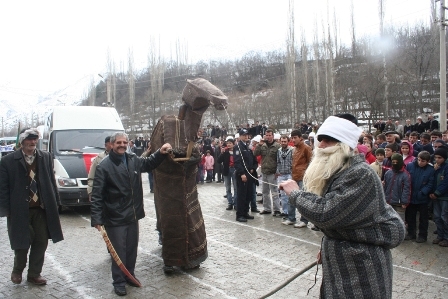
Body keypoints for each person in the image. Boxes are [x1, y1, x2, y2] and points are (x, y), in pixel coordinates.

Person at [280, 114, 405, 298]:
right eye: (320, 140)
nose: (320, 146)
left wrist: (296, 194)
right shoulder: (341, 171)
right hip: (343, 265)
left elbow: (327, 213)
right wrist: (330, 246)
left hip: (362, 268)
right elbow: (344, 223)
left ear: (344, 145)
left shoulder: (360, 174)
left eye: (328, 141)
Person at [90, 132, 171, 296]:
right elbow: (97, 195)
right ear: (112, 145)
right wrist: (97, 219)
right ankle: (119, 281)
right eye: (118, 142)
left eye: (124, 142)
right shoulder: (103, 166)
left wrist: (160, 153)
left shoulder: (133, 159)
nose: (121, 145)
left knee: (131, 250)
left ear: (128, 143)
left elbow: (148, 164)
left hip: (133, 215)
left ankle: (129, 275)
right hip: (115, 217)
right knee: (118, 251)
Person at [0, 128, 64, 285]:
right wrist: (6, 210)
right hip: (19, 210)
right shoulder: (8, 161)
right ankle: (17, 270)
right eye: (30, 139)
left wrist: (55, 203)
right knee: (22, 242)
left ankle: (34, 274)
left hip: (41, 209)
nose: (33, 142)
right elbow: (3, 188)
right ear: (22, 141)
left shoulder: (45, 157)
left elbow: (51, 182)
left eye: (35, 139)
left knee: (41, 242)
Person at [283, 130, 312, 228]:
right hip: (294, 176)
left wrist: (306, 174)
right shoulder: (294, 149)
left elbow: (311, 162)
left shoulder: (306, 148)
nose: (293, 140)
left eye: (295, 137)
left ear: (301, 138)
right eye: (292, 138)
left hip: (303, 178)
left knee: (303, 199)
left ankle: (304, 220)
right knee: (291, 198)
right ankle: (291, 218)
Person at [405, 151, 435, 242]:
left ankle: (422, 235)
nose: (420, 162)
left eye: (423, 161)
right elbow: (406, 179)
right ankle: (411, 233)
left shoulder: (431, 169)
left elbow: (430, 183)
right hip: (411, 196)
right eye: (419, 160)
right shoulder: (410, 166)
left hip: (423, 198)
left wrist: (423, 192)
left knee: (423, 218)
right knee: (410, 216)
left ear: (428, 161)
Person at [254, 129, 281, 216]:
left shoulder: (277, 146)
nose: (268, 137)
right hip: (264, 172)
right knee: (265, 192)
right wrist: (259, 144)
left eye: (270, 135)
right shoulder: (263, 145)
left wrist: (277, 171)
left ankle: (277, 210)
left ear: (273, 136)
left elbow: (280, 160)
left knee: (274, 192)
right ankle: (267, 209)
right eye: (267, 135)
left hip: (272, 172)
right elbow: (255, 153)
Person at [234, 129, 258, 222]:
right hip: (243, 175)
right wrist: (242, 173)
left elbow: (252, 159)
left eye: (247, 135)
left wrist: (253, 168)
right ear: (240, 136)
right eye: (243, 135)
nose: (246, 136)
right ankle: (239, 215)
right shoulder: (238, 147)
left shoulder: (247, 147)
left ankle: (245, 212)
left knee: (248, 195)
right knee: (241, 195)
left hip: (249, 174)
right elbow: (237, 162)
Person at [429, 147, 448, 247]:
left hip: (444, 197)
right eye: (436, 157)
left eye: (439, 157)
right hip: (435, 197)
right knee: (437, 217)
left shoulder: (446, 167)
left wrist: (437, 193)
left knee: (444, 217)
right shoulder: (436, 167)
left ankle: (446, 237)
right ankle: (440, 236)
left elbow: (445, 183)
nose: (437, 159)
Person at [87, 136, 113, 200]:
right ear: (105, 145)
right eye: (111, 143)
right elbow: (92, 176)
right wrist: (91, 192)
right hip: (104, 193)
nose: (113, 145)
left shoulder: (123, 157)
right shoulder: (99, 158)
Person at [275, 135, 293, 219]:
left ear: (288, 141)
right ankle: (285, 211)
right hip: (281, 175)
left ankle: (291, 213)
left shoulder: (292, 150)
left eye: (285, 141)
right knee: (282, 195)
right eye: (282, 141)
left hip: (290, 174)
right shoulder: (279, 151)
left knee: (290, 194)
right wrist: (278, 172)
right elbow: (278, 162)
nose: (283, 143)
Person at [219, 138, 237, 210]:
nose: (229, 144)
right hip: (227, 170)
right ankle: (230, 203)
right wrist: (222, 153)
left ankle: (236, 203)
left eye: (230, 143)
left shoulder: (237, 151)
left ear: (233, 144)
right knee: (228, 187)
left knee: (236, 188)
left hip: (235, 170)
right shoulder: (225, 151)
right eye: (227, 143)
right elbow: (219, 161)